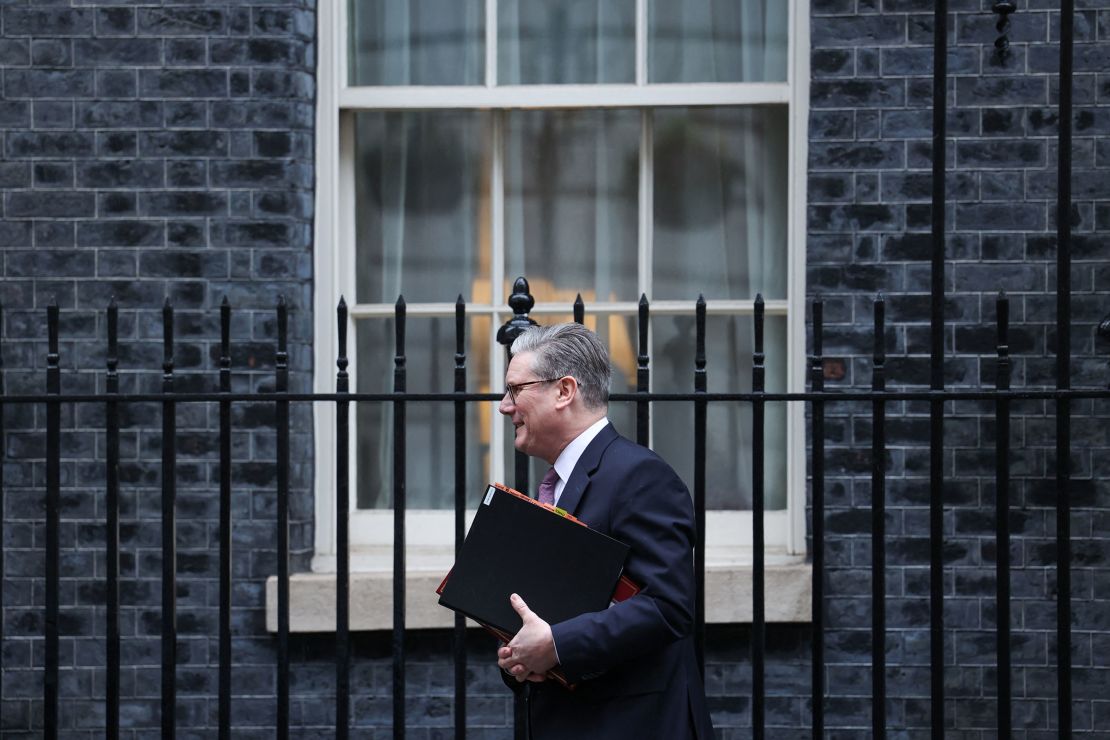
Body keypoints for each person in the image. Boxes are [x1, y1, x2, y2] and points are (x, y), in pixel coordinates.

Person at [496, 322, 715, 740]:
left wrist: (557, 644)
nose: (505, 406)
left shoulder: (639, 475)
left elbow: (669, 607)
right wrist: (521, 654)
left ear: (564, 391)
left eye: (515, 390)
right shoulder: (558, 484)